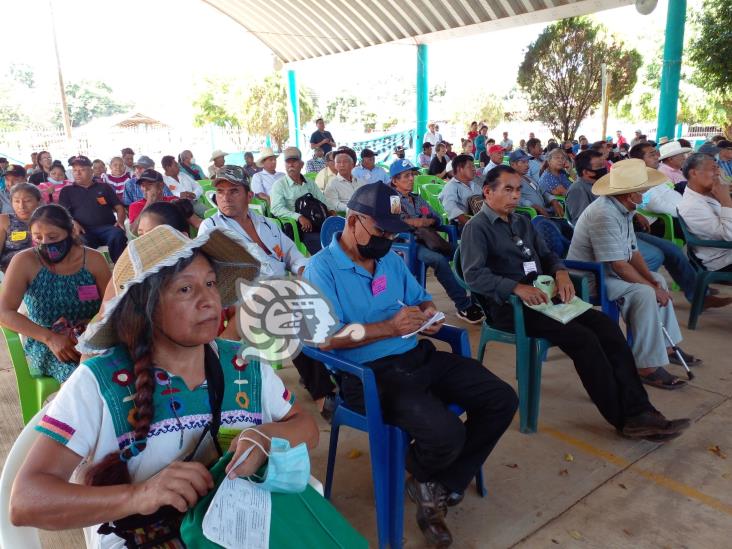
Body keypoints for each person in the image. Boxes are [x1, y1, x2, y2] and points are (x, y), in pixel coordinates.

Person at [9, 225, 319, 549]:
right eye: (185, 289)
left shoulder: (246, 366)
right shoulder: (99, 383)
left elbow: (306, 428)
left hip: (238, 529)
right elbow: (26, 501)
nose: (209, 300)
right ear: (146, 307)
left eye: (210, 283)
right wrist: (140, 495)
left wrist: (264, 436)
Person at [304, 183, 518, 547]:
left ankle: (431, 481)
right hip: (368, 376)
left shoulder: (387, 258)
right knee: (447, 432)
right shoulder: (320, 269)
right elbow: (324, 338)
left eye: (393, 231)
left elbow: (421, 301)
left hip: (415, 357)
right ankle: (431, 480)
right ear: (354, 221)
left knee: (501, 399)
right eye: (381, 230)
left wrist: (430, 316)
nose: (387, 239)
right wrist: (385, 328)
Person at [461, 164, 689, 439]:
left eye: (519, 190)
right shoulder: (477, 228)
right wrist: (515, 288)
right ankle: (623, 418)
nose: (515, 196)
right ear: (488, 192)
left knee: (606, 327)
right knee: (583, 339)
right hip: (511, 308)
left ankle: (640, 409)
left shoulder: (521, 221)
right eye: (508, 190)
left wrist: (560, 272)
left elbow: (547, 255)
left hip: (545, 298)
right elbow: (474, 276)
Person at [567, 159, 711, 389]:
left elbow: (633, 253)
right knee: (644, 292)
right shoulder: (604, 213)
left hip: (608, 272)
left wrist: (652, 280)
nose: (644, 193)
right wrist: (650, 287)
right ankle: (646, 366)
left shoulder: (624, 209)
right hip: (590, 279)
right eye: (640, 190)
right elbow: (618, 265)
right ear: (628, 193)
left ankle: (665, 346)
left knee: (658, 280)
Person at [0, 204, 111, 382]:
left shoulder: (93, 260)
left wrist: (91, 328)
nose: (45, 242)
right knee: (81, 378)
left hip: (93, 335)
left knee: (122, 370)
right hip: (46, 343)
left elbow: (112, 304)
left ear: (71, 232)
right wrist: (50, 338)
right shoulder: (25, 261)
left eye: (53, 236)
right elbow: (3, 312)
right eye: (38, 237)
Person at [390, 159, 484, 323]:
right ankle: (463, 305)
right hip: (408, 244)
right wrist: (417, 221)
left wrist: (423, 221)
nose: (411, 178)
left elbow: (438, 218)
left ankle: (479, 300)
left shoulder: (417, 198)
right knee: (438, 260)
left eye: (412, 174)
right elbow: (397, 224)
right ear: (395, 181)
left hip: (429, 239)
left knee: (465, 254)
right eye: (406, 176)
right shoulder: (394, 200)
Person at [59, 155, 128, 262]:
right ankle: (93, 273)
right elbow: (62, 213)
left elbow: (119, 207)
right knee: (79, 241)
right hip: (83, 231)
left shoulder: (104, 187)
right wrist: (72, 222)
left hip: (107, 228)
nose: (77, 173)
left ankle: (121, 269)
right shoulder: (67, 191)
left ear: (91, 171)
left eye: (82, 170)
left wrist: (120, 221)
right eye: (75, 170)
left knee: (118, 234)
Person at [270, 147, 335, 255]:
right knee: (319, 241)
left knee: (338, 235)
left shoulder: (309, 182)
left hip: (316, 220)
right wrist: (298, 217)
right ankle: (323, 267)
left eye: (294, 161)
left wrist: (331, 210)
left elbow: (322, 199)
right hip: (298, 227)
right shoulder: (279, 185)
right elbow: (276, 208)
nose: (291, 165)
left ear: (301, 164)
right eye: (288, 162)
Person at [678, 153, 732, 272]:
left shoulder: (708, 194)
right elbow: (729, 236)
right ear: (694, 173)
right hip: (723, 260)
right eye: (713, 168)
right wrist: (726, 200)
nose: (718, 173)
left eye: (717, 168)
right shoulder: (691, 206)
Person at [510, 150, 564, 219]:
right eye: (523, 162)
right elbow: (518, 199)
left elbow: (541, 190)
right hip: (532, 216)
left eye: (527, 162)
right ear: (513, 164)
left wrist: (553, 200)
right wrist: (536, 207)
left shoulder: (527, 177)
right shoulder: (511, 181)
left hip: (545, 211)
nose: (527, 165)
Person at [0, 183, 40, 272]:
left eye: (27, 201)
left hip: (40, 272)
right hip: (9, 272)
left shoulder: (46, 221)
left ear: (38, 201)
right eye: (17, 201)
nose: (21, 206)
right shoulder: (4, 220)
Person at [439, 154, 482, 227]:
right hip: (463, 226)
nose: (474, 169)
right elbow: (450, 206)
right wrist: (470, 224)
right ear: (459, 169)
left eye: (474, 166)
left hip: (479, 221)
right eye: (470, 167)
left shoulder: (475, 185)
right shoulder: (451, 186)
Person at [566, 150, 608, 224]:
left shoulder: (598, 183)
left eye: (603, 165)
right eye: (599, 166)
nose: (604, 169)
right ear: (586, 172)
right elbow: (581, 223)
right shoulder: (577, 190)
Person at [325, 147, 365, 212]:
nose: (342, 165)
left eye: (345, 162)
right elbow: (333, 204)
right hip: (346, 217)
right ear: (335, 165)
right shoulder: (332, 184)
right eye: (338, 162)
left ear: (353, 164)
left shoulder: (361, 182)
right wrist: (351, 209)